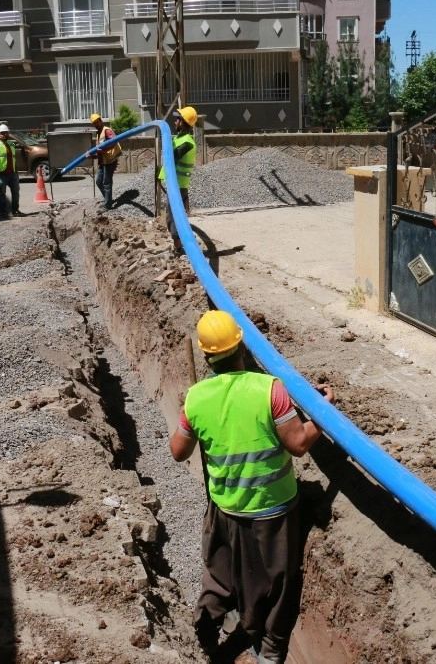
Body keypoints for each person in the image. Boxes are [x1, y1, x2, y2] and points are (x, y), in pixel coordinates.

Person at [169, 310, 334, 664]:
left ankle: (204, 634)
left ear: (207, 355)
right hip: (272, 510)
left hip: (224, 508)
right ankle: (270, 648)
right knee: (277, 583)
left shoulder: (196, 397)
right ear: (241, 344)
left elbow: (178, 453)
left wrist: (194, 417)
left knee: (219, 575)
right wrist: (321, 412)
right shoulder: (270, 390)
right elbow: (299, 445)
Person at [158, 106, 197, 253]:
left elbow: (172, 157)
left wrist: (167, 140)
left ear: (183, 122)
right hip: (176, 183)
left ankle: (179, 245)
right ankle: (181, 243)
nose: (175, 122)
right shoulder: (180, 139)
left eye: (177, 119)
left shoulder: (187, 142)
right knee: (176, 215)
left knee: (172, 216)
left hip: (179, 185)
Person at [89, 113, 120, 208]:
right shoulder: (99, 133)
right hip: (103, 162)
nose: (97, 124)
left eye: (98, 121)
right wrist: (91, 156)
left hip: (110, 161)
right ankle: (108, 199)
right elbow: (99, 151)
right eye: (95, 123)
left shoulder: (107, 130)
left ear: (101, 121)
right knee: (99, 181)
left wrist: (104, 149)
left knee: (106, 183)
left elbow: (113, 141)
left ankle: (108, 205)